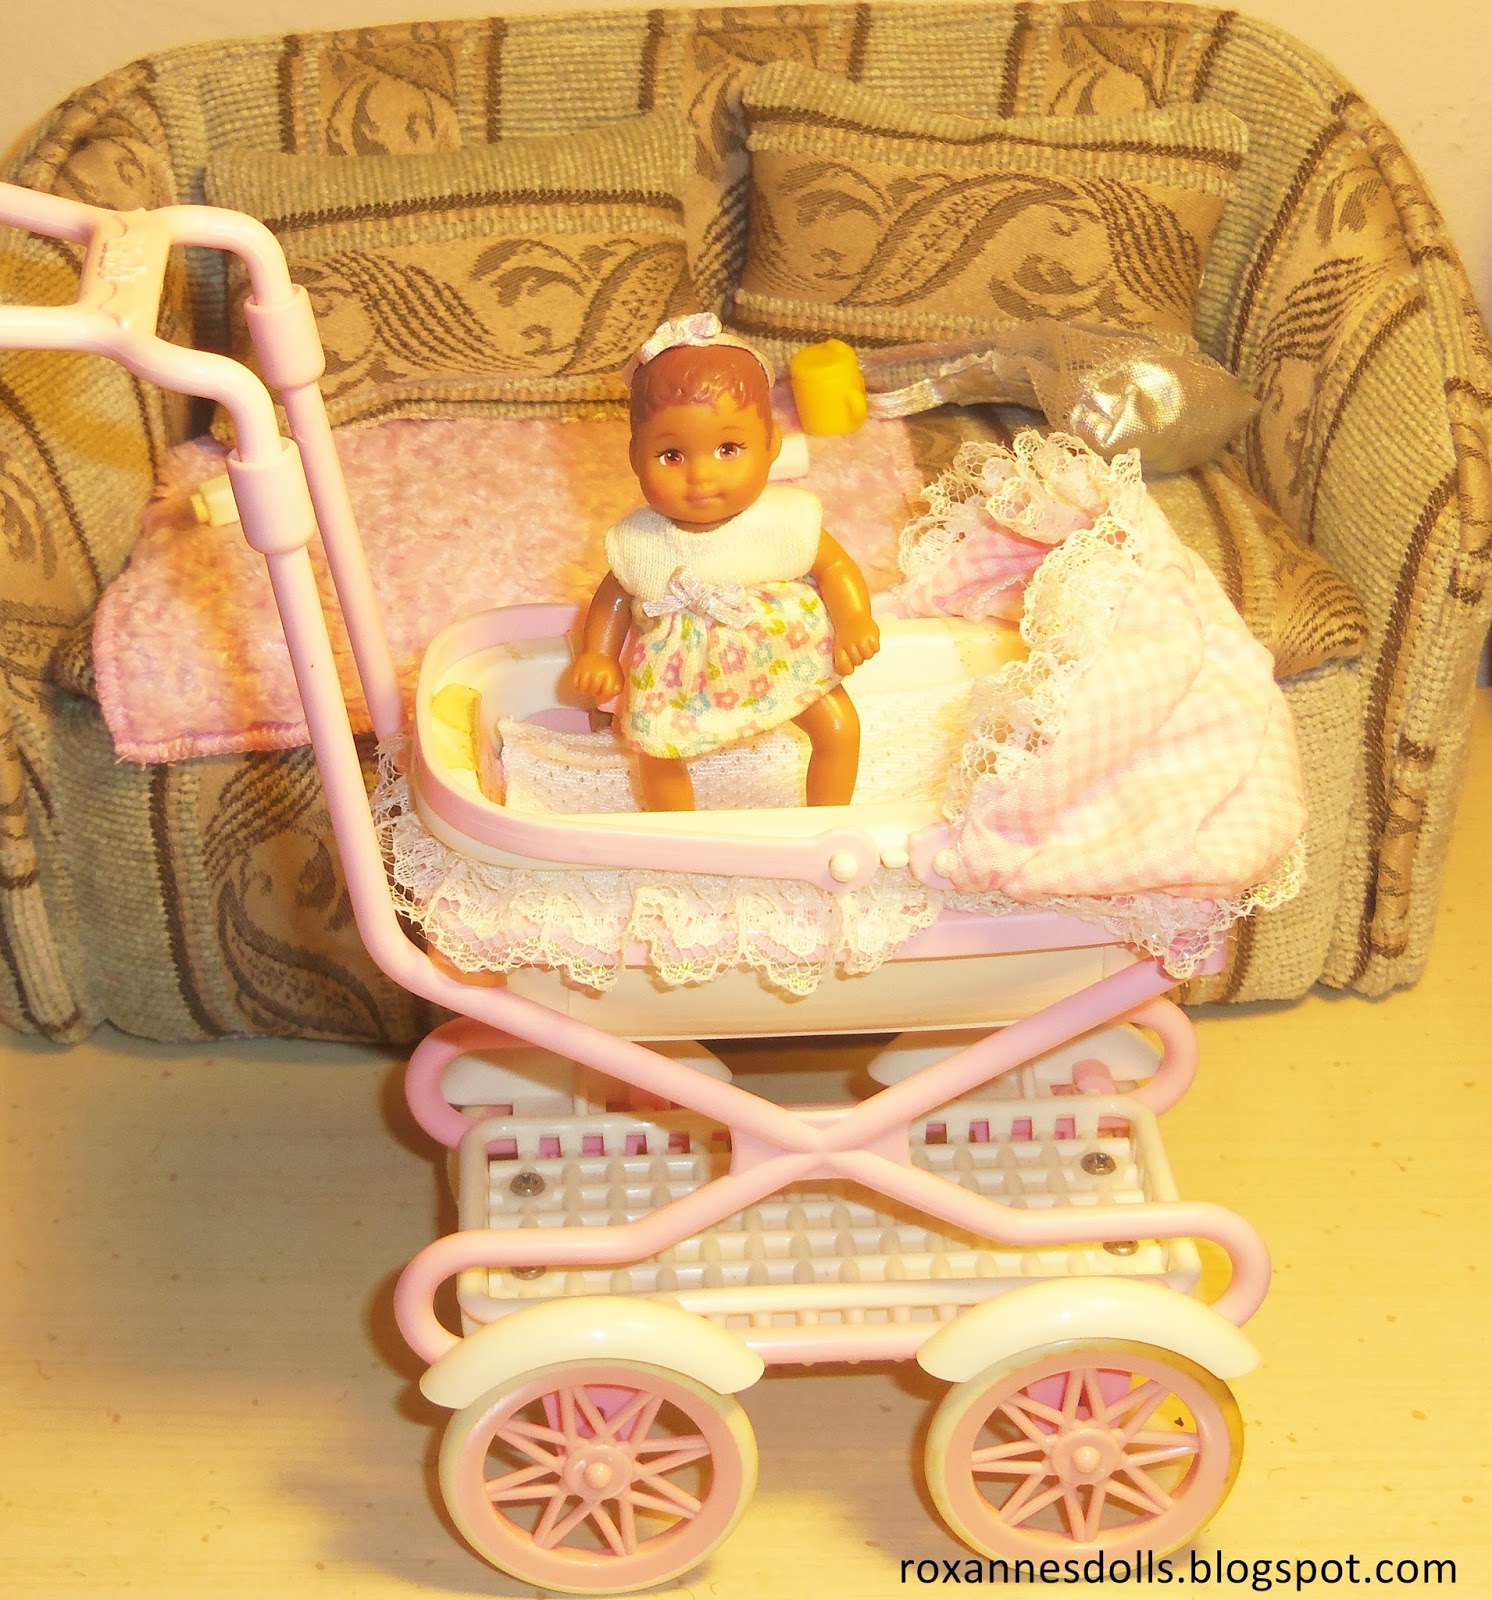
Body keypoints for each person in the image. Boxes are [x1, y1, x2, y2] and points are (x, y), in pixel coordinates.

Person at [568, 314, 880, 811]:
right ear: (635, 457)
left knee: (838, 725)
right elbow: (615, 596)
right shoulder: (641, 541)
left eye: (728, 448)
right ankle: (679, 831)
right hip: (679, 674)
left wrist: (854, 619)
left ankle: (827, 816)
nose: (701, 475)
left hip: (781, 655)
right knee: (657, 751)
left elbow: (835, 568)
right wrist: (599, 654)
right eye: (672, 455)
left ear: (771, 445)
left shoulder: (782, 520)